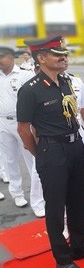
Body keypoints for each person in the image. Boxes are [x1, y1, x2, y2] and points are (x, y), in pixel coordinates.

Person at [17, 36, 84, 268]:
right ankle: (62, 256)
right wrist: (41, 154)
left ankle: (79, 246)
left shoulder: (67, 82)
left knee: (78, 200)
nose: (64, 57)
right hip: (51, 150)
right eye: (57, 54)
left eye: (64, 53)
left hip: (75, 145)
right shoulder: (30, 90)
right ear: (42, 57)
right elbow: (23, 129)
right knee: (56, 207)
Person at [0, 45, 34, 208]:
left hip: (23, 122)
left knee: (32, 160)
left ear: (11, 57)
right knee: (9, 159)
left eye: (2, 57)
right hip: (2, 122)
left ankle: (38, 195)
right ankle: (17, 193)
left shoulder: (25, 74)